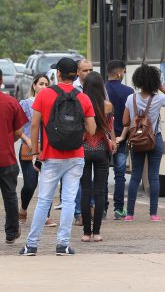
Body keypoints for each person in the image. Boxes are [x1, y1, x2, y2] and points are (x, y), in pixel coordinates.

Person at [20, 57, 96, 256]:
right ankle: (62, 244)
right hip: (76, 155)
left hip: (51, 155)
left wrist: (35, 150)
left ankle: (32, 245)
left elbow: (35, 125)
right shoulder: (83, 98)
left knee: (44, 200)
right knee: (70, 201)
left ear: (58, 74)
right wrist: (80, 136)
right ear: (76, 74)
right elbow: (92, 127)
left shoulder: (44, 95)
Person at [119, 64, 165, 222]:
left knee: (135, 176)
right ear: (154, 82)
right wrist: (162, 87)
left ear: (137, 80)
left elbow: (125, 121)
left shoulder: (131, 98)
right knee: (153, 176)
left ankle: (130, 214)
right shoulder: (158, 98)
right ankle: (153, 214)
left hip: (137, 140)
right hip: (154, 139)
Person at [80, 72, 117, 242]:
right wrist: (114, 141)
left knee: (85, 191)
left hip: (84, 149)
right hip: (102, 149)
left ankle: (86, 233)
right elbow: (110, 128)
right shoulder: (107, 105)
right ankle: (97, 233)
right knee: (100, 191)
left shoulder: (80, 102)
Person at [18, 74, 57, 228]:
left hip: (48, 148)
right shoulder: (25, 104)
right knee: (30, 183)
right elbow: (18, 129)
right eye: (41, 84)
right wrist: (27, 140)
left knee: (47, 183)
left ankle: (45, 216)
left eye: (47, 84)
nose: (44, 87)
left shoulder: (53, 104)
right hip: (29, 149)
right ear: (34, 86)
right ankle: (23, 209)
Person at [0, 68, 28, 245]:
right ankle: (11, 232)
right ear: (1, 80)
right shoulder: (10, 102)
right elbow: (19, 131)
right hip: (6, 157)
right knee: (10, 195)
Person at [105, 60, 133, 220]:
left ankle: (102, 209)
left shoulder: (102, 90)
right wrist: (122, 136)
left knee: (102, 175)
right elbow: (129, 117)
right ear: (119, 73)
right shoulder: (128, 91)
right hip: (121, 139)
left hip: (104, 139)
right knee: (120, 175)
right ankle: (119, 209)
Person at [71, 58, 94, 224]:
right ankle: (79, 213)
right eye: (85, 70)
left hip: (94, 140)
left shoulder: (98, 87)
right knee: (78, 178)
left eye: (91, 70)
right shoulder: (72, 90)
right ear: (77, 72)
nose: (88, 73)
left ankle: (93, 208)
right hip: (78, 139)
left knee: (91, 178)